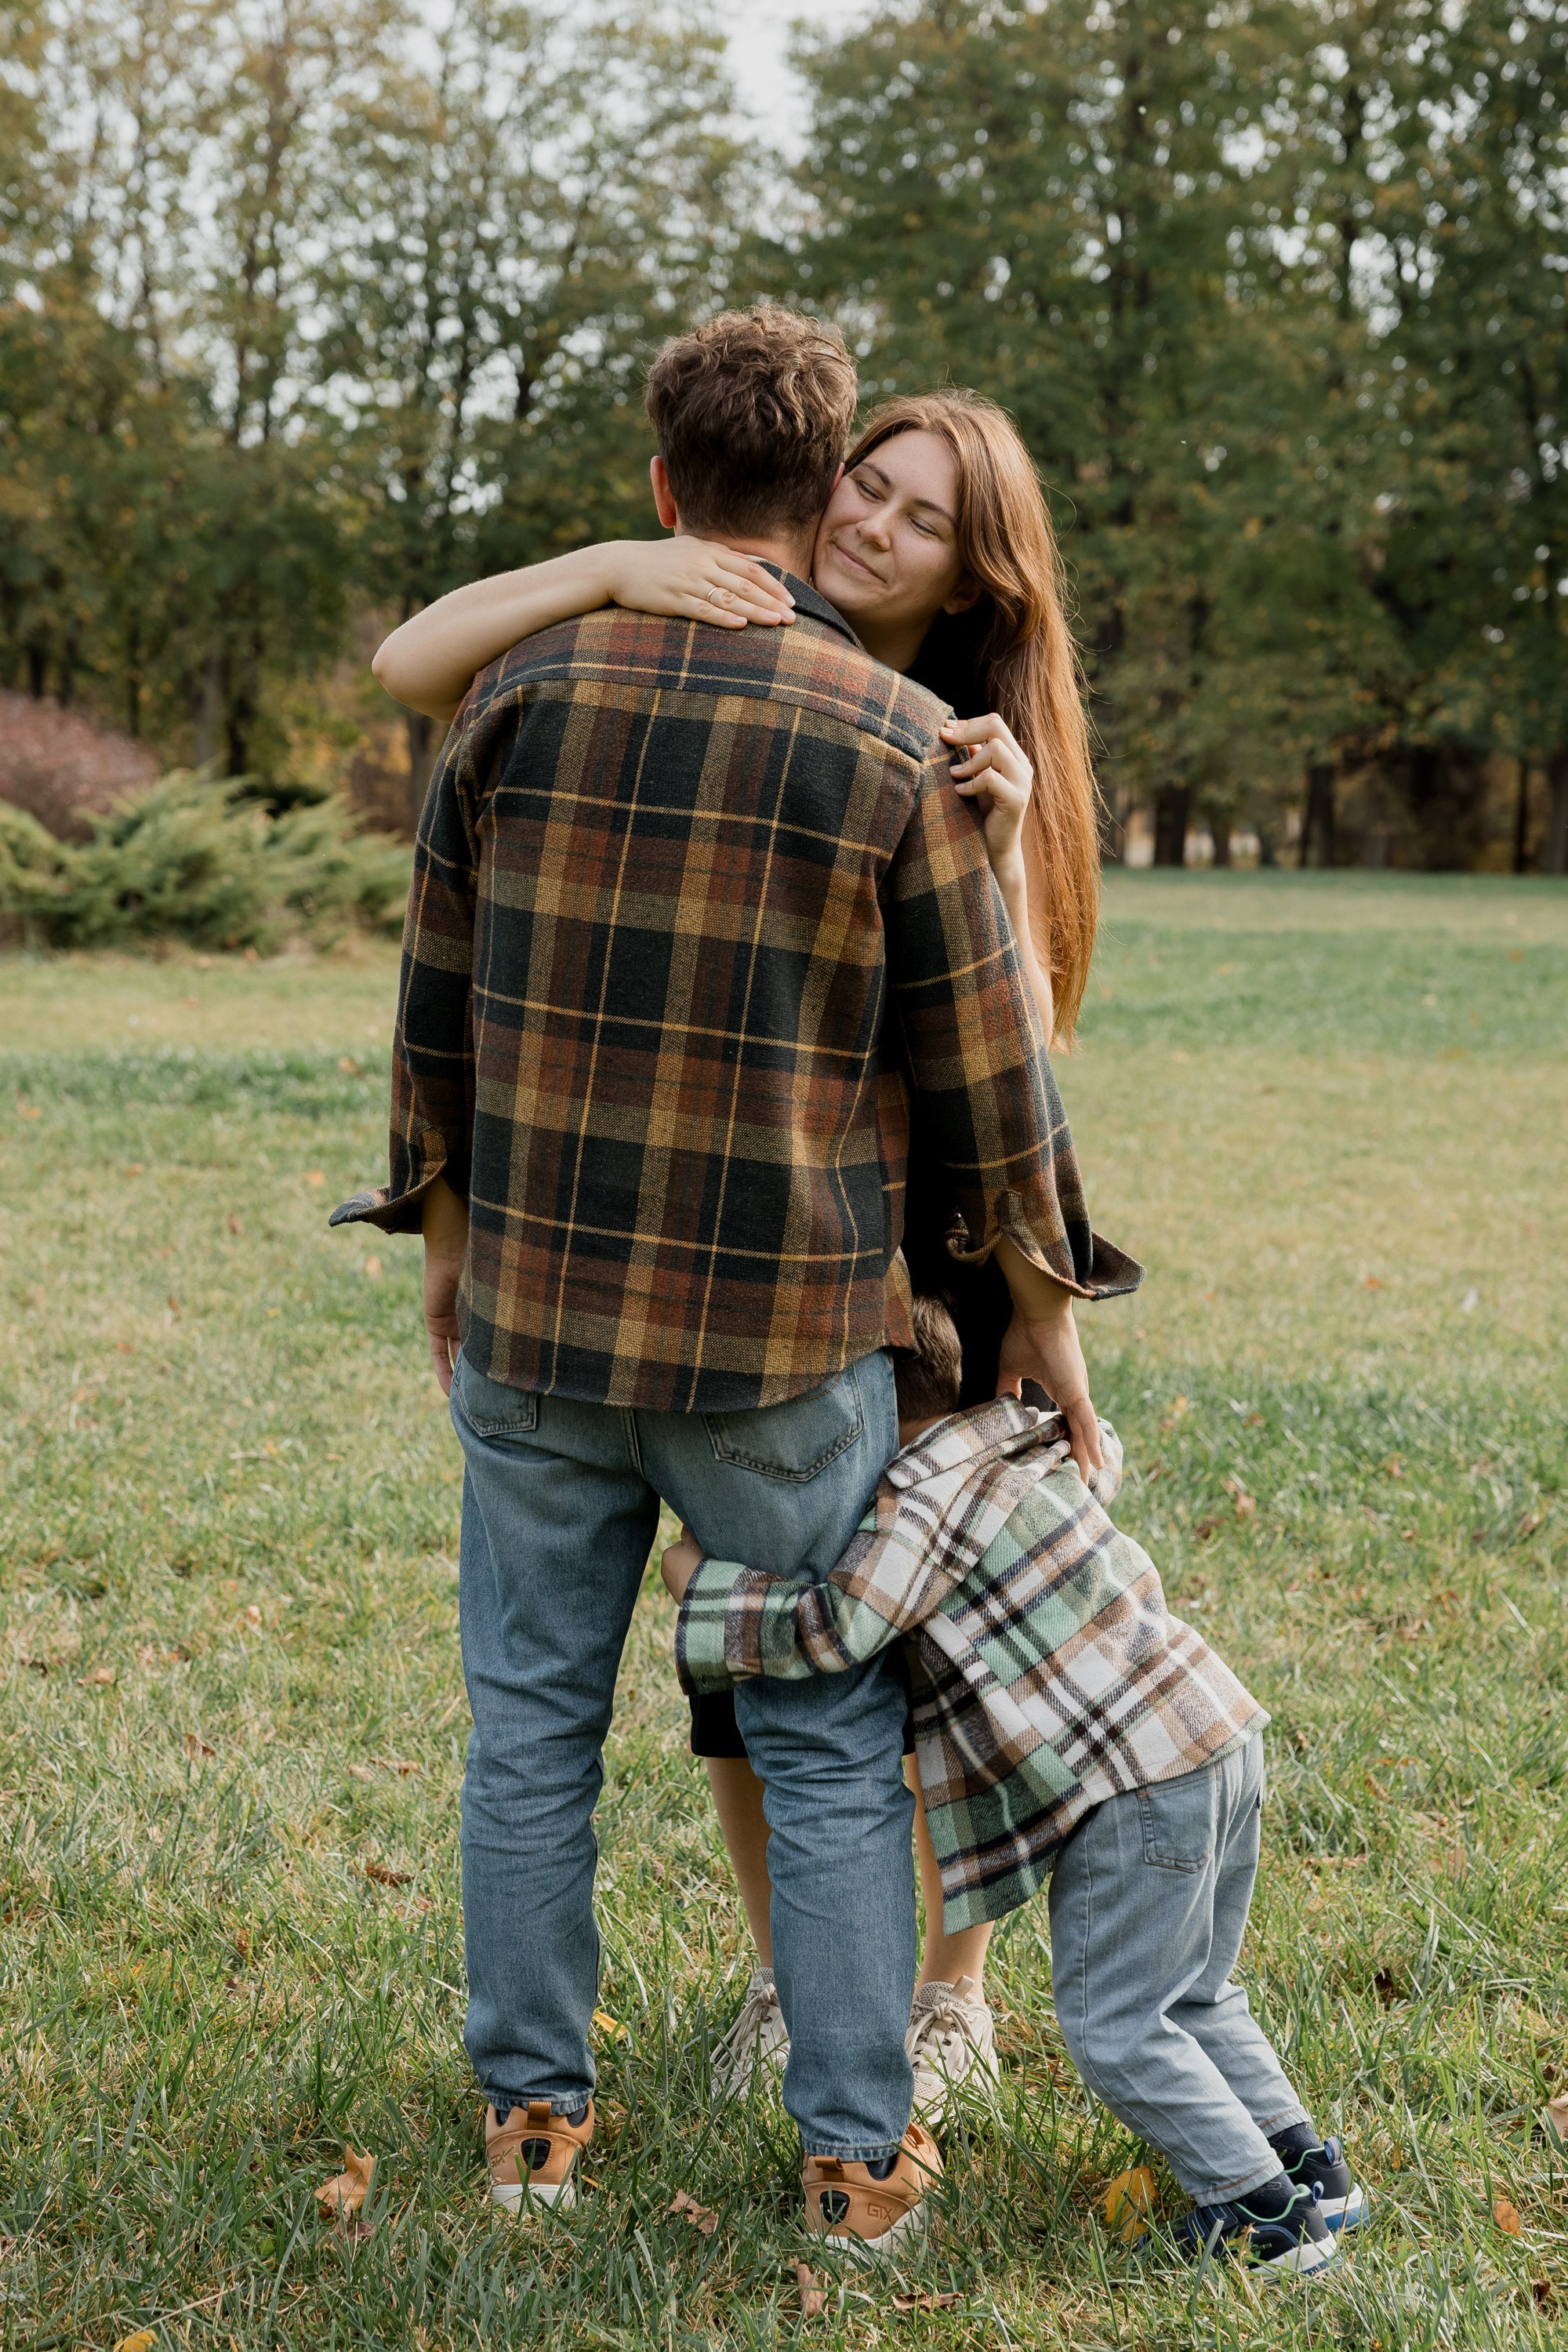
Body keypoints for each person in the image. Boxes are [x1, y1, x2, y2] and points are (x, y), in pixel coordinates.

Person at [334, 303, 1138, 2248]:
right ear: (823, 475)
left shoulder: (517, 698)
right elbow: (987, 1081)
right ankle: (857, 2156)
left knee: (527, 1723)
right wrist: (1045, 1328)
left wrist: (444, 1260)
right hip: (785, 1351)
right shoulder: (891, 742)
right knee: (821, 1726)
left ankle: (533, 2124)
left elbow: (430, 1020)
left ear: (662, 485)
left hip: (535, 1320)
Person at [659, 1295, 1365, 2277]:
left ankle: (1257, 2213)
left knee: (1115, 2026)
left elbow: (835, 1628)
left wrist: (702, 1585)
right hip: (1216, 1735)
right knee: (1195, 1994)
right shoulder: (1030, 1439)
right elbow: (1101, 1454)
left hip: (1131, 1790)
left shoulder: (918, 1501)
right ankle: (1310, 2170)